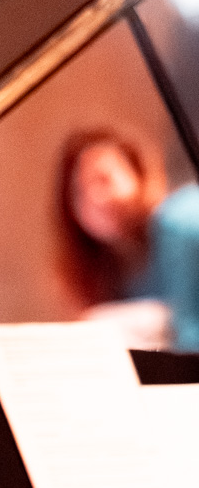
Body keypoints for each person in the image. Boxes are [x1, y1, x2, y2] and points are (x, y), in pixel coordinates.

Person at [55, 127, 199, 348]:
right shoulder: (112, 271)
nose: (95, 198)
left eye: (104, 180)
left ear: (139, 174)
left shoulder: (182, 220)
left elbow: (191, 336)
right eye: (80, 190)